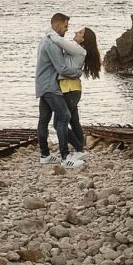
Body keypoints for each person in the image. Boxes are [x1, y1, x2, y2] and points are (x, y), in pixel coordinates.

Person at [35, 13, 82, 169]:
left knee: (44, 120)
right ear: (57, 26)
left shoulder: (44, 40)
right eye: (66, 27)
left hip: (42, 84)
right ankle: (65, 157)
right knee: (64, 116)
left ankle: (45, 155)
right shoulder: (52, 44)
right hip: (50, 86)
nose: (67, 30)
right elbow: (61, 67)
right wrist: (78, 73)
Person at [49, 27, 102, 157]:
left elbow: (61, 42)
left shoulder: (79, 50)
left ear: (84, 39)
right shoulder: (78, 50)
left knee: (58, 123)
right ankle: (80, 149)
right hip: (71, 89)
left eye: (79, 32)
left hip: (70, 90)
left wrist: (50, 32)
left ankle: (78, 149)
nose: (75, 33)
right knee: (73, 121)